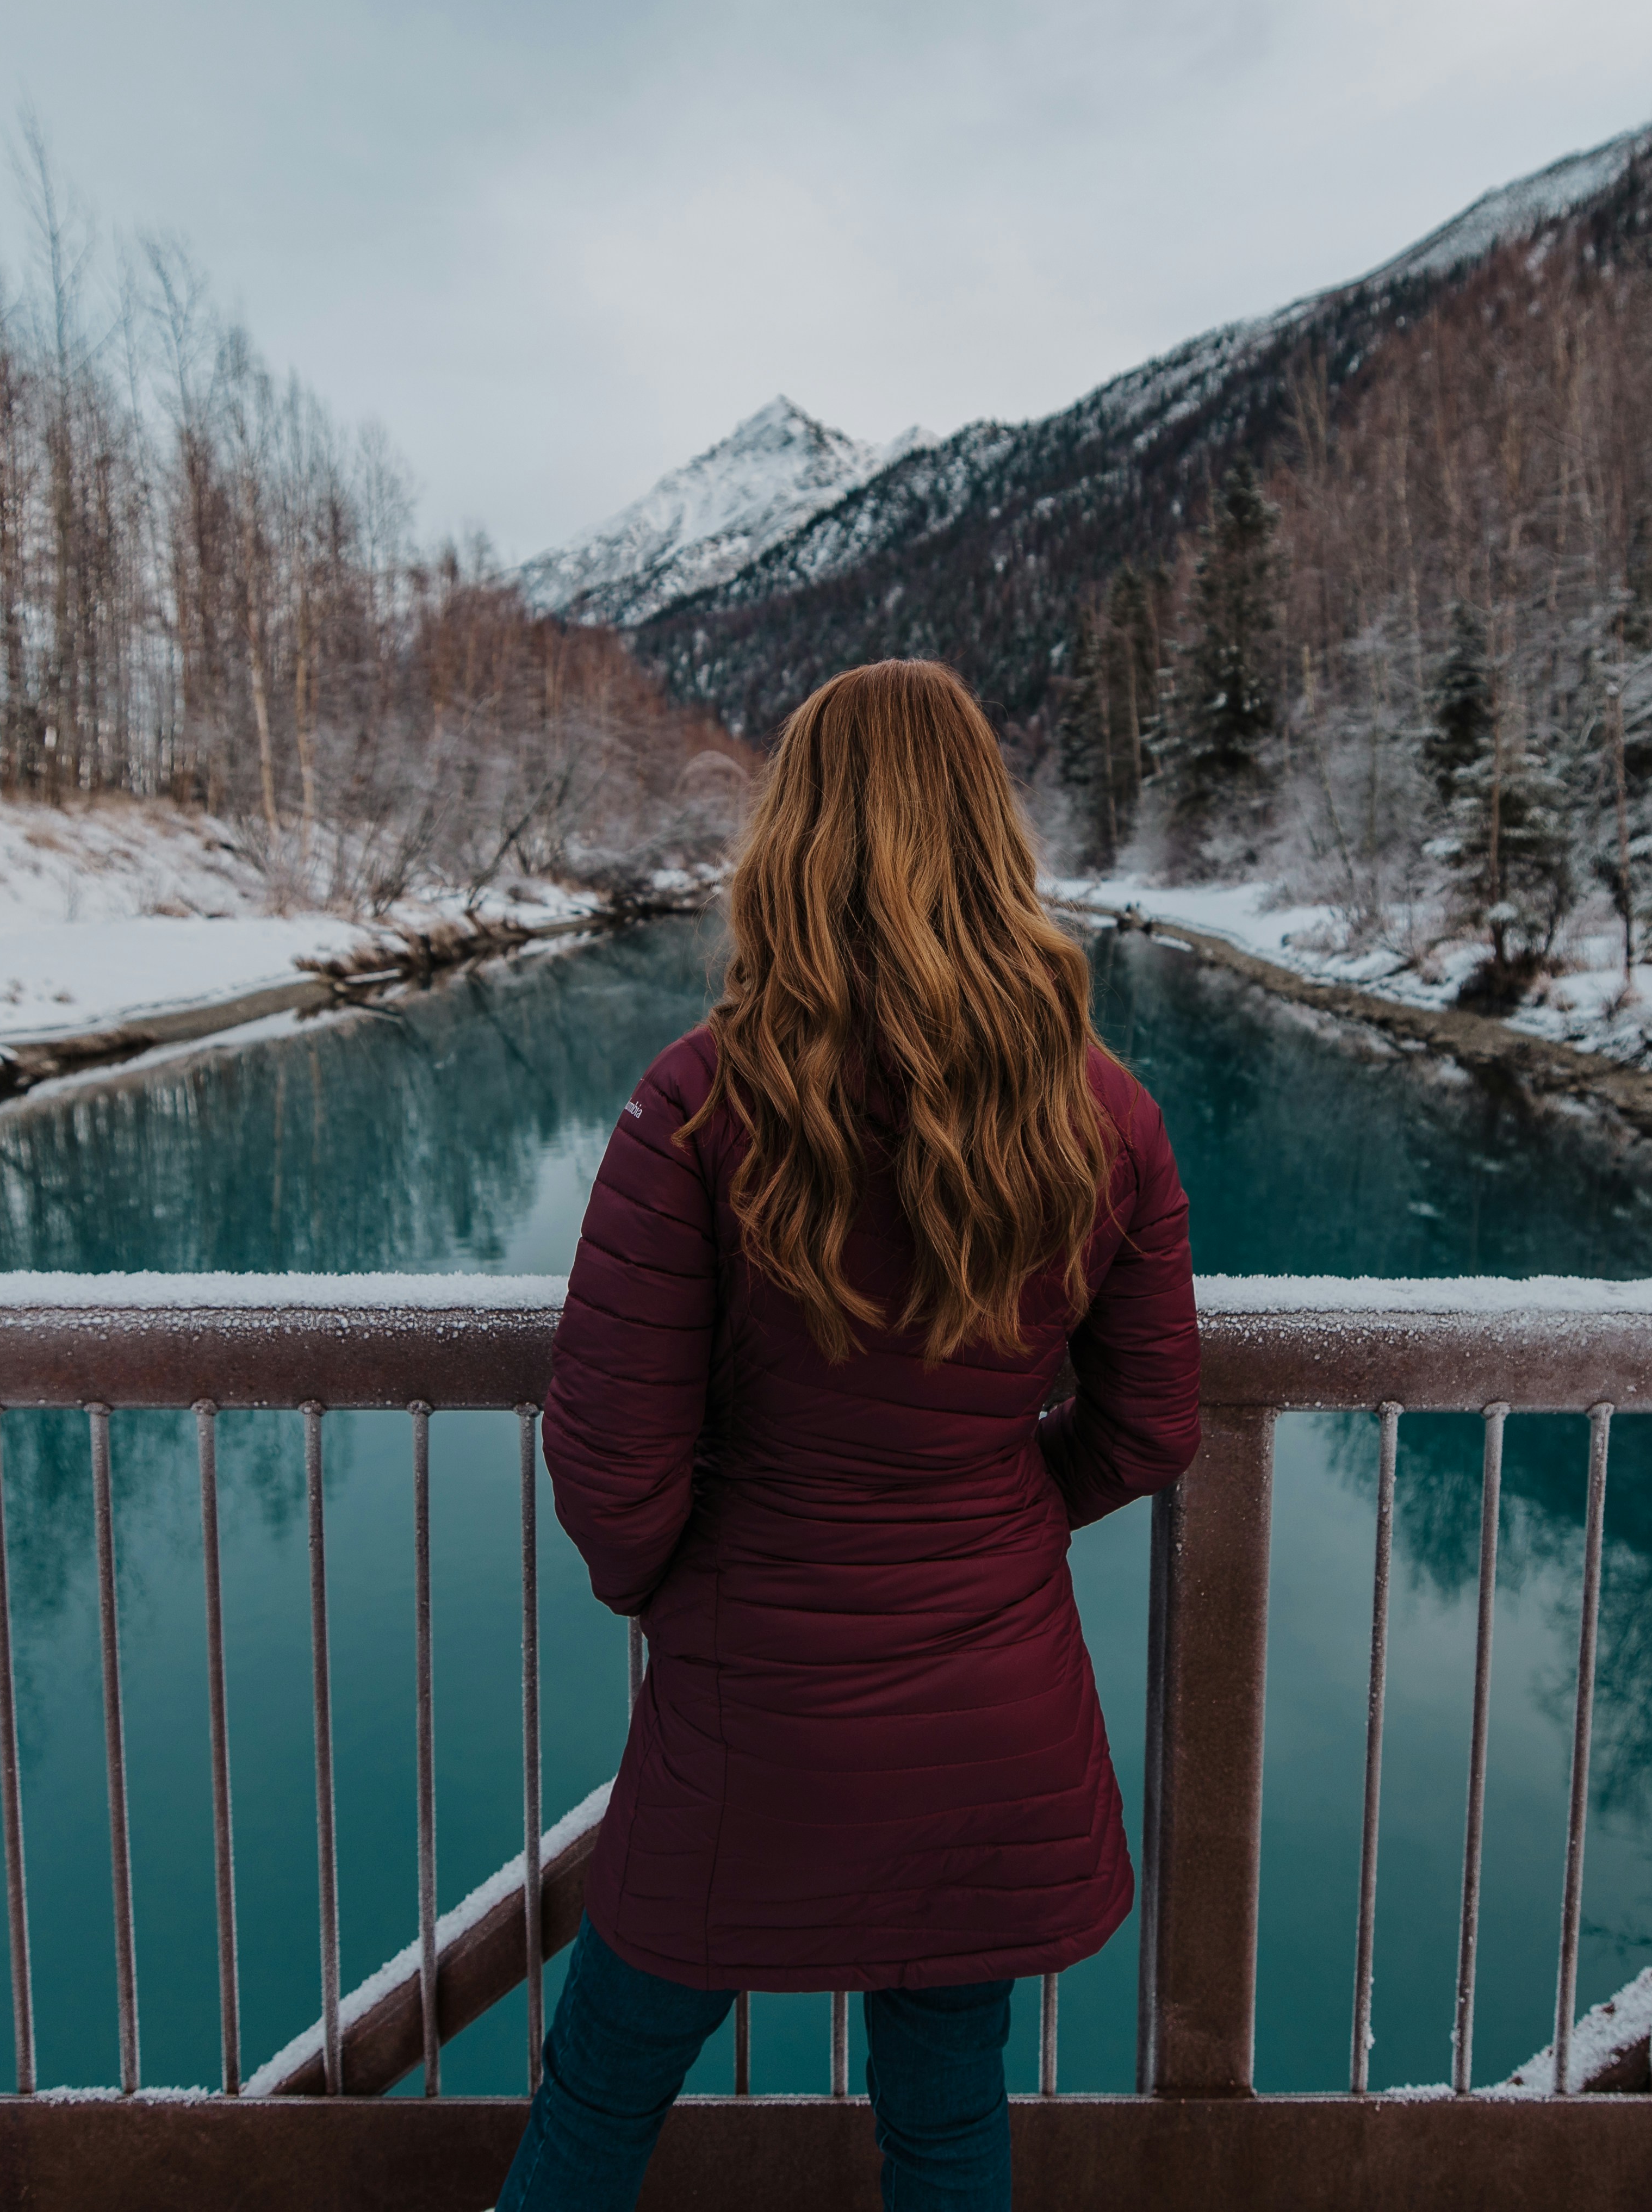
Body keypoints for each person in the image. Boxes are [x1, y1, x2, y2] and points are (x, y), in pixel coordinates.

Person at [501, 658, 1201, 2212]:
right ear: (988, 835)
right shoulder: (1105, 1113)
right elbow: (1152, 1425)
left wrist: (684, 1584)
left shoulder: (696, 1104)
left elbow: (611, 1470)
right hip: (991, 1722)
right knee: (946, 2122)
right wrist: (1004, 1508)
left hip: (751, 1715)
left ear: (793, 840)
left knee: (602, 2089)